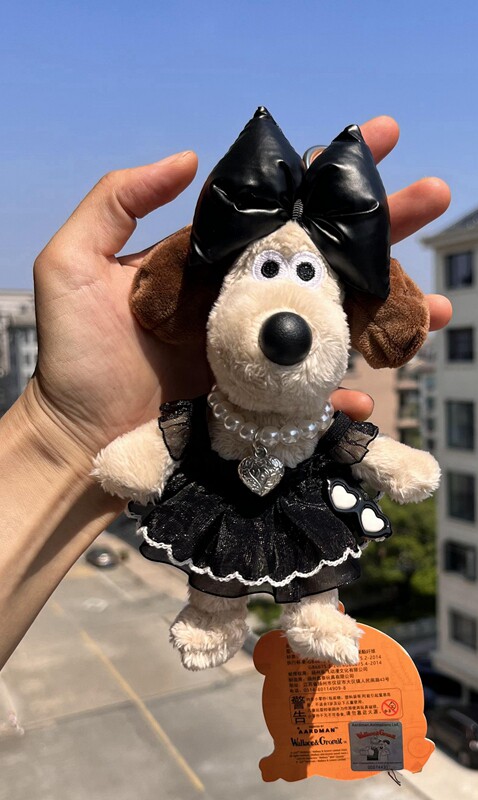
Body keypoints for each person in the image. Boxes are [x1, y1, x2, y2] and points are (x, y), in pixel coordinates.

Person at [0, 116, 452, 668]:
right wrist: (67, 433)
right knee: (216, 559)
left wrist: (399, 463)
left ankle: (316, 614)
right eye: (266, 270)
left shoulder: (324, 421)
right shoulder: (200, 412)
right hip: (219, 487)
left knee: (317, 560)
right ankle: (214, 615)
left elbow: (356, 444)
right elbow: (159, 442)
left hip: (305, 488)